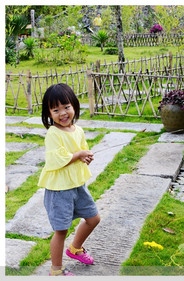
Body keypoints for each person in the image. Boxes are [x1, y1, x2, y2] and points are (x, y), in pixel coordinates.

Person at [39, 84, 100, 276]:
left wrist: (85, 157)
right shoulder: (53, 134)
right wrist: (78, 154)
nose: (62, 113)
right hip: (59, 190)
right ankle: (56, 270)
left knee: (93, 218)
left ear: (74, 106)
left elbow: (80, 151)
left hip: (77, 186)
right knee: (61, 230)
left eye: (66, 107)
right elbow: (56, 159)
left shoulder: (78, 130)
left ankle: (75, 249)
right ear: (48, 113)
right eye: (55, 110)